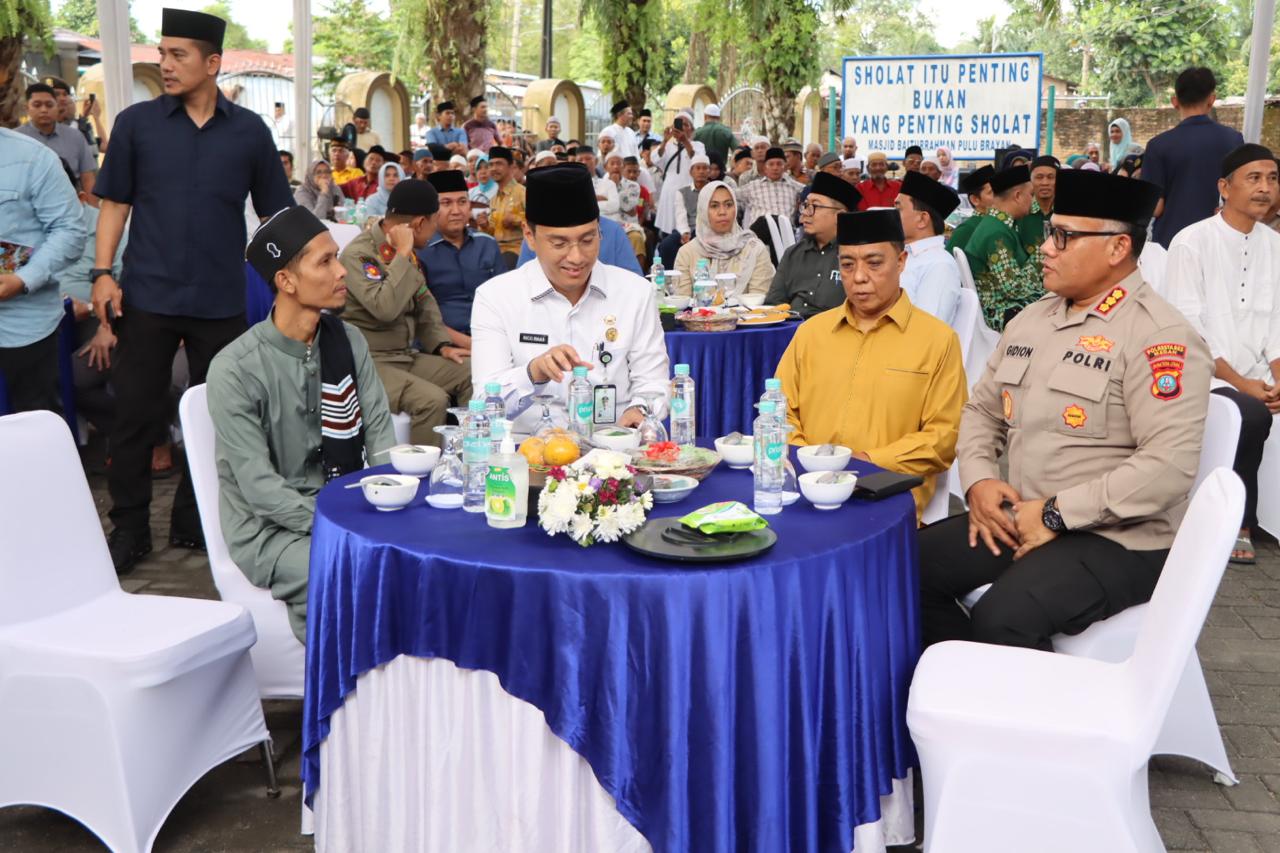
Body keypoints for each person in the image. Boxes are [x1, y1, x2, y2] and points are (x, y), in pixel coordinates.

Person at [918, 168, 1212, 651]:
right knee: (905, 569)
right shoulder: (1033, 320)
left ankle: (1016, 695)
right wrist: (980, 481)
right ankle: (970, 681)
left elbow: (1169, 467)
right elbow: (982, 411)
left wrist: (1057, 515)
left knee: (1004, 618)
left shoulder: (1159, 336)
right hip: (1026, 512)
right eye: (1049, 232)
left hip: (1121, 538)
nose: (1045, 248)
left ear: (1118, 248)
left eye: (1063, 236)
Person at [91, 7, 294, 573]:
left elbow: (275, 216)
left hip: (220, 300)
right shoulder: (136, 124)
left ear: (212, 63)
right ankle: (130, 528)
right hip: (147, 296)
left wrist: (295, 279)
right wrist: (102, 272)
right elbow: (115, 204)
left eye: (178, 54)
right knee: (135, 416)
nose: (165, 63)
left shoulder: (250, 131)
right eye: (163, 53)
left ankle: (193, 519)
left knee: (218, 415)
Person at [210, 206, 394, 643]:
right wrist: (346, 523)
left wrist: (391, 498)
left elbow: (380, 435)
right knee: (350, 567)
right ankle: (340, 680)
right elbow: (260, 488)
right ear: (286, 281)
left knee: (419, 559)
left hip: (348, 505)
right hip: (270, 531)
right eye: (325, 261)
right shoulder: (235, 369)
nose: (341, 271)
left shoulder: (347, 340)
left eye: (337, 258)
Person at [775, 209, 966, 520]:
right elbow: (780, 411)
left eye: (874, 263)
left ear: (901, 262)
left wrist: (864, 462)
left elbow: (944, 435)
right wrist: (810, 462)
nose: (859, 277)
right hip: (807, 494)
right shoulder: (811, 333)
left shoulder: (936, 340)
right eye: (847, 265)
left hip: (886, 502)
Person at [471, 163, 669, 435]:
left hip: (614, 450)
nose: (576, 257)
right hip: (528, 451)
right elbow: (483, 404)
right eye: (559, 244)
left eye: (587, 240)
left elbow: (653, 383)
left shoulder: (634, 292)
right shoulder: (496, 298)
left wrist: (640, 411)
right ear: (529, 236)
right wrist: (532, 373)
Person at [1164, 143, 1280, 565]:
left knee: (1257, 405)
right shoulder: (1191, 242)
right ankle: (1240, 521)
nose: (1265, 188)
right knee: (1252, 414)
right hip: (1202, 374)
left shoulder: (1275, 245)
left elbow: (1276, 324)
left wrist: (1277, 378)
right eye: (1254, 178)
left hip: (1257, 375)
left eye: (1272, 178)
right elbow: (1190, 331)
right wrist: (1243, 384)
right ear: (1224, 188)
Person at [339, 180, 471, 446]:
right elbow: (384, 308)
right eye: (434, 221)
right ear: (420, 223)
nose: (435, 230)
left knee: (471, 372)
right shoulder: (359, 256)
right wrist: (402, 253)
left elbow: (424, 303)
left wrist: (441, 346)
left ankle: (471, 455)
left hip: (404, 356)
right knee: (432, 400)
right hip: (369, 362)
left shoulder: (406, 254)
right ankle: (424, 469)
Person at [0, 127, 85, 415]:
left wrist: (23, 279)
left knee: (34, 424)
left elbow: (70, 231)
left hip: (23, 327)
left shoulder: (32, 158)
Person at [1144, 67, 1245, 248]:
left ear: (1175, 101)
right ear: (1211, 99)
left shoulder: (1158, 146)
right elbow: (1241, 193)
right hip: (1220, 240)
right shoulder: (1234, 140)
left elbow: (1155, 208)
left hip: (1171, 242)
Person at [417, 169, 502, 345]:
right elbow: (421, 315)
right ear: (431, 209)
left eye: (462, 202)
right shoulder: (420, 251)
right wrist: (473, 346)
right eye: (446, 203)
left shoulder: (487, 244)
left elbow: (506, 300)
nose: (456, 211)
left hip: (492, 336)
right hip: (441, 344)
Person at [764, 172, 861, 317]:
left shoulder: (857, 255)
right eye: (805, 205)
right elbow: (773, 304)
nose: (805, 213)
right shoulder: (793, 253)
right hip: (792, 327)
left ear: (839, 215)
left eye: (814, 206)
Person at [961, 165, 1043, 331]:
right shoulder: (996, 232)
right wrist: (1041, 267)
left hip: (1002, 307)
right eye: (1031, 195)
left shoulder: (997, 224)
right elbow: (1013, 288)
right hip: (999, 312)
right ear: (1018, 196)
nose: (1033, 201)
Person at [674, 181, 775, 297]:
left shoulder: (754, 249)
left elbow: (759, 300)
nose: (722, 212)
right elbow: (682, 301)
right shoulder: (687, 253)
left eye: (728, 205)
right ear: (703, 210)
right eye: (714, 206)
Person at [894, 170, 962, 326]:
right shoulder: (904, 255)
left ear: (922, 219)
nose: (892, 215)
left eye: (898, 209)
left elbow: (928, 330)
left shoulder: (939, 265)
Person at [17, 84, 98, 201]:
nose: (44, 110)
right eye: (37, 105)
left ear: (57, 107)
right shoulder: (16, 138)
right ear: (27, 108)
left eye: (49, 105)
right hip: (27, 205)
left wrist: (93, 209)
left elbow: (87, 178)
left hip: (71, 204)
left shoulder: (75, 137)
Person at [654, 113, 707, 237]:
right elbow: (655, 159)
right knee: (668, 228)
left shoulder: (699, 146)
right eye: (679, 124)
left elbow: (698, 161)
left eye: (685, 124)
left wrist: (685, 142)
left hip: (688, 189)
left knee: (688, 226)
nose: (682, 127)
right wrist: (664, 141)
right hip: (669, 190)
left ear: (691, 129)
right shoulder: (667, 146)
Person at [477, 145, 526, 265]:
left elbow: (538, 223)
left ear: (511, 166)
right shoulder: (494, 199)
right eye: (491, 165)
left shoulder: (522, 193)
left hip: (518, 249)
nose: (494, 168)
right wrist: (484, 225)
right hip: (496, 249)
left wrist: (516, 219)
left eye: (499, 164)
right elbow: (492, 232)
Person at [738, 147, 803, 228]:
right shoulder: (753, 187)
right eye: (771, 164)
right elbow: (733, 196)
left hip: (786, 231)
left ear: (785, 166)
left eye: (779, 164)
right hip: (759, 232)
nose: (775, 168)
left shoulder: (796, 187)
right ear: (765, 168)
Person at [45, 75, 107, 154]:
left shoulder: (78, 125)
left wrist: (96, 118)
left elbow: (104, 147)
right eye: (57, 94)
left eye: (65, 94)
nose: (63, 98)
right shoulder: (43, 129)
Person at [602, 151, 646, 261]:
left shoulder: (633, 186)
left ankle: (638, 271)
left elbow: (628, 207)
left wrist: (615, 186)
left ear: (623, 167)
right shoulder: (599, 185)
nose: (616, 166)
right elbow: (599, 207)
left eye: (619, 163)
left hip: (627, 225)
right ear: (605, 167)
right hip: (604, 225)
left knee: (636, 238)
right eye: (612, 163)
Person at [945, 165, 995, 254]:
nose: (999, 195)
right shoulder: (967, 229)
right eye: (991, 192)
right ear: (975, 200)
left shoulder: (1002, 221)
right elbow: (949, 259)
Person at [1016, 155, 1060, 255]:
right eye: (1039, 177)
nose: (1045, 183)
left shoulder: (1065, 213)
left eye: (1051, 177)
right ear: (1030, 181)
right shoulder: (1021, 212)